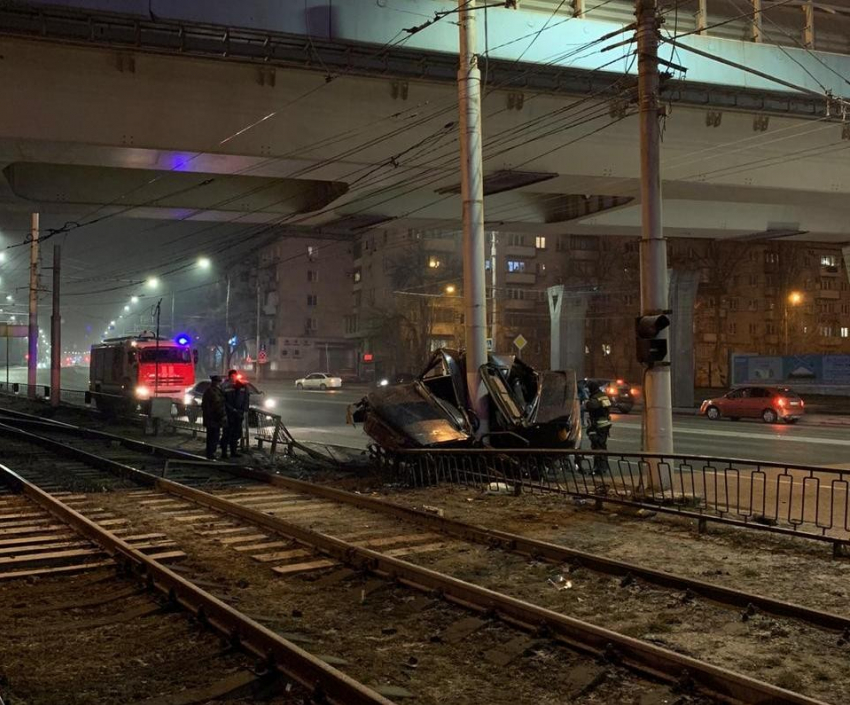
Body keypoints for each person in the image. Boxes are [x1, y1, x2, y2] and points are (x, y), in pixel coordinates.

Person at [585, 379, 613, 473]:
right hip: (604, 424)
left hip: (598, 425)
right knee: (602, 446)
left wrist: (586, 402)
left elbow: (590, 406)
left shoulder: (595, 398)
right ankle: (603, 467)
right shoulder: (603, 395)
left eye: (588, 388)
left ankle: (599, 468)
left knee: (597, 446)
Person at [222, 369, 250, 458]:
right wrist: (232, 409)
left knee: (236, 433)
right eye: (232, 376)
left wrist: (243, 410)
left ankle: (233, 452)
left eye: (235, 376)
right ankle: (224, 452)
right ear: (229, 376)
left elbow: (246, 399)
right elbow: (223, 401)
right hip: (229, 414)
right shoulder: (225, 386)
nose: (233, 378)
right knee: (227, 433)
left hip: (238, 414)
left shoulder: (242, 386)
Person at [201, 375, 227, 460]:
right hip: (213, 418)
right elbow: (216, 405)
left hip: (212, 418)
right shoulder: (212, 391)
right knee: (213, 437)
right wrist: (221, 415)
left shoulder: (212, 390)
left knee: (213, 436)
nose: (220, 383)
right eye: (219, 382)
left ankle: (211, 453)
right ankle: (211, 453)